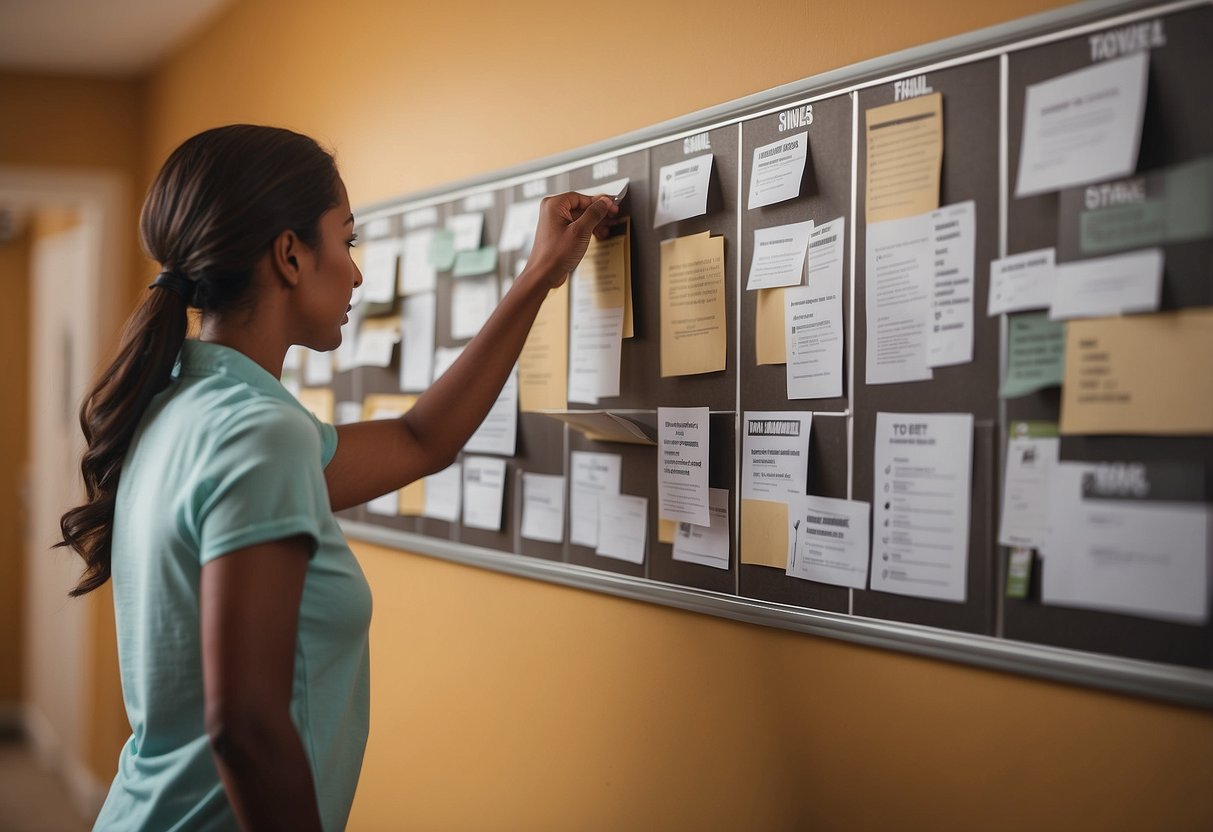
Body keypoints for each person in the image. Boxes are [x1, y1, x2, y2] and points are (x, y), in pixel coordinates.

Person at [56, 124, 618, 831]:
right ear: (290, 255)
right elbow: (247, 727)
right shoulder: (257, 434)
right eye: (346, 240)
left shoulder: (184, 404)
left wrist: (540, 276)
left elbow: (421, 440)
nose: (356, 273)